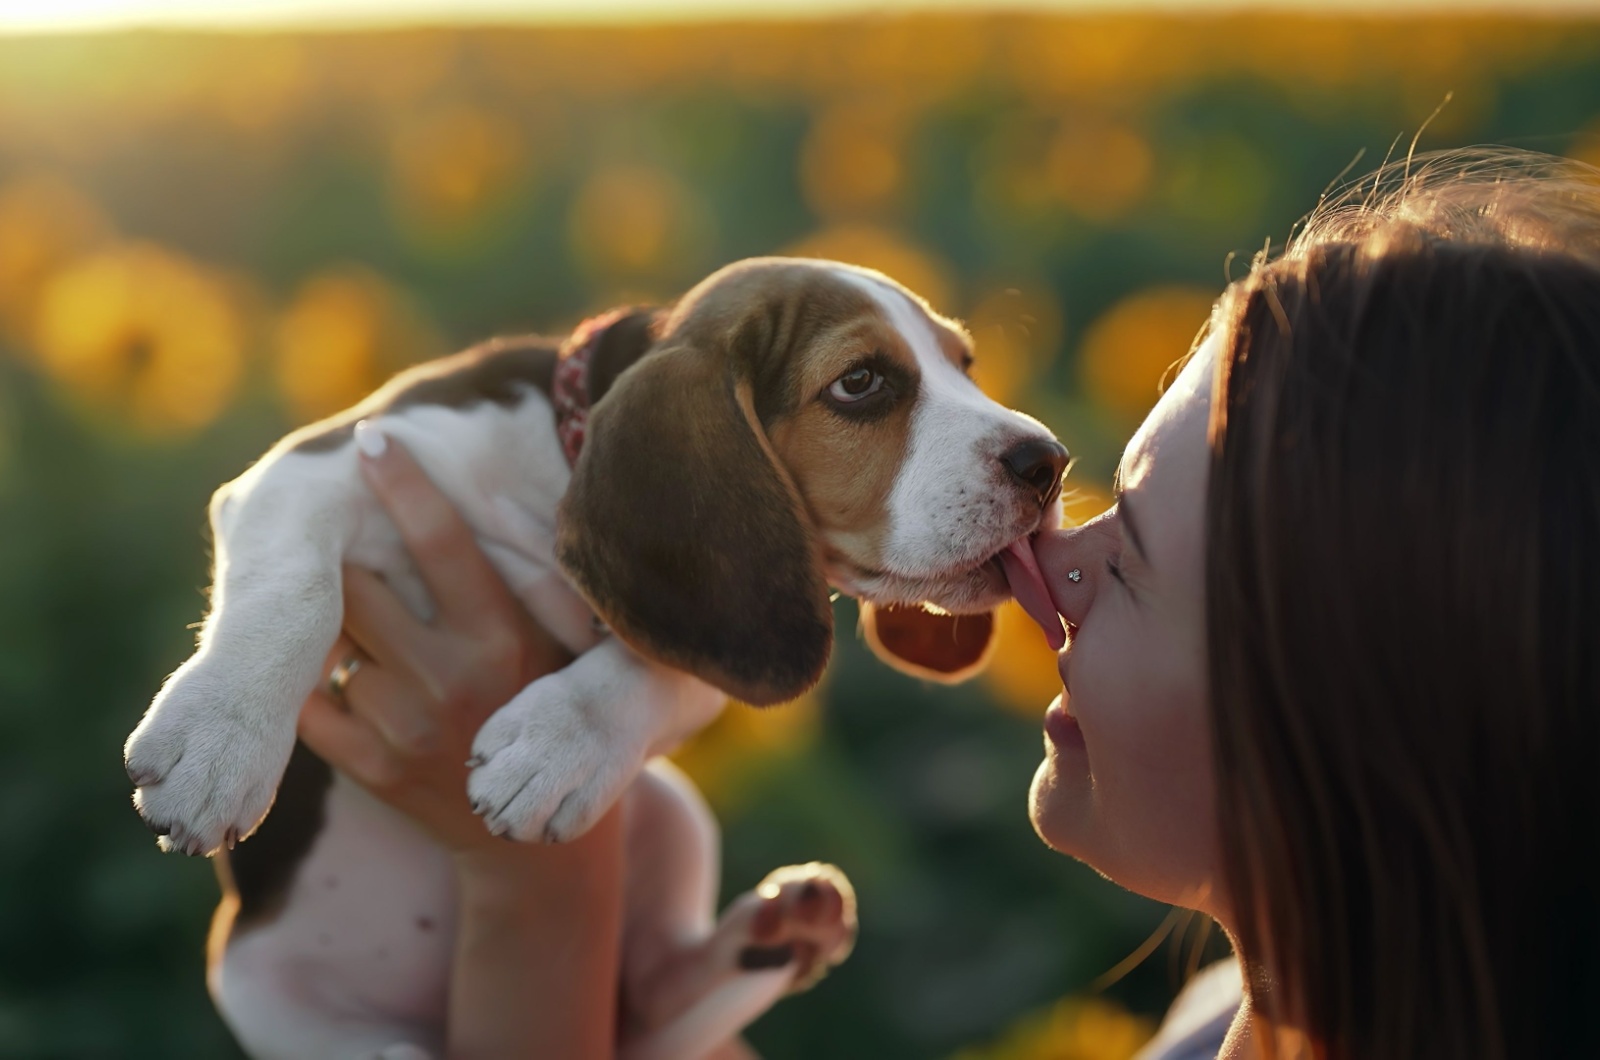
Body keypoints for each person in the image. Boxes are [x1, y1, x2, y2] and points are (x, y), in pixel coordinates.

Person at [304, 148, 1600, 1059]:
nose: (1057, 561)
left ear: (1342, 725)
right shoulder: (1235, 1011)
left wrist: (537, 884)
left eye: (1131, 553)